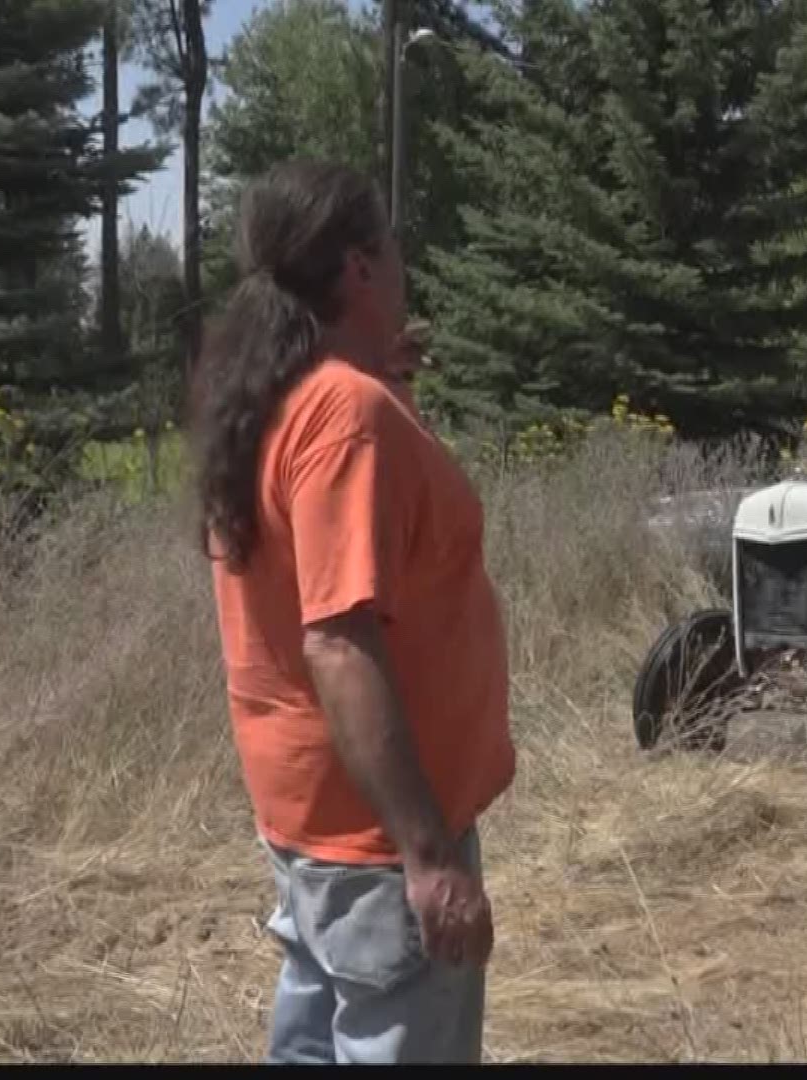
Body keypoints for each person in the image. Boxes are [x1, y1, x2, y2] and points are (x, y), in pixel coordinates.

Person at [188, 158, 515, 1064]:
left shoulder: (284, 395)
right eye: (395, 248)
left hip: (313, 823)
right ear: (362, 268)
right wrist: (428, 856)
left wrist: (394, 386)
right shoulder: (343, 414)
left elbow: (358, 548)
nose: (406, 266)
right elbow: (335, 638)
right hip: (375, 841)